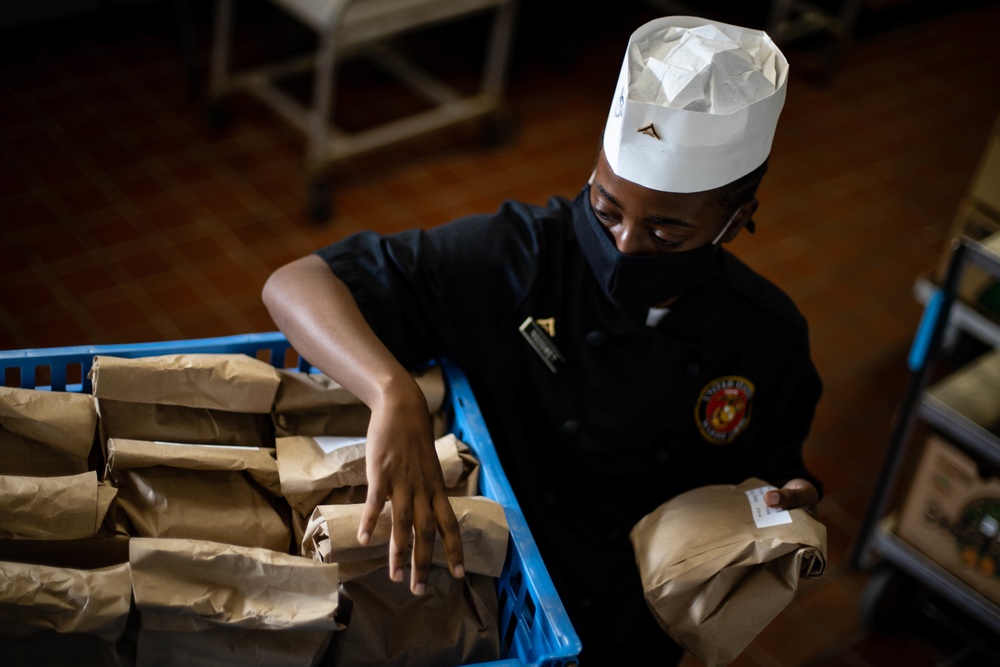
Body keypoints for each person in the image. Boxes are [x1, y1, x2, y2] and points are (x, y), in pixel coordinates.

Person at [263, 15, 822, 665]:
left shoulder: (765, 337)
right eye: (606, 209)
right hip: (486, 587)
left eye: (667, 233)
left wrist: (789, 500)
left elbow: (779, 467)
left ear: (736, 220)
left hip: (632, 616)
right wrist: (392, 392)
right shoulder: (520, 256)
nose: (623, 246)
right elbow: (294, 283)